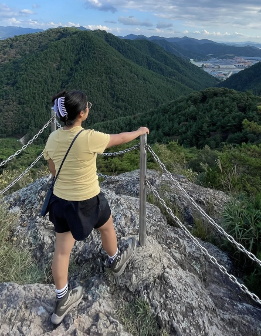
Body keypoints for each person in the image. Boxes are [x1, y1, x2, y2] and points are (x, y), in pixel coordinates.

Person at [42, 90, 149, 325]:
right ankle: (115, 259)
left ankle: (62, 300)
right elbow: (121, 137)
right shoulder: (89, 137)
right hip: (89, 200)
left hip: (60, 202)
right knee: (107, 227)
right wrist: (140, 131)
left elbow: (52, 169)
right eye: (87, 106)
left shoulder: (52, 139)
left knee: (61, 251)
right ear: (82, 114)